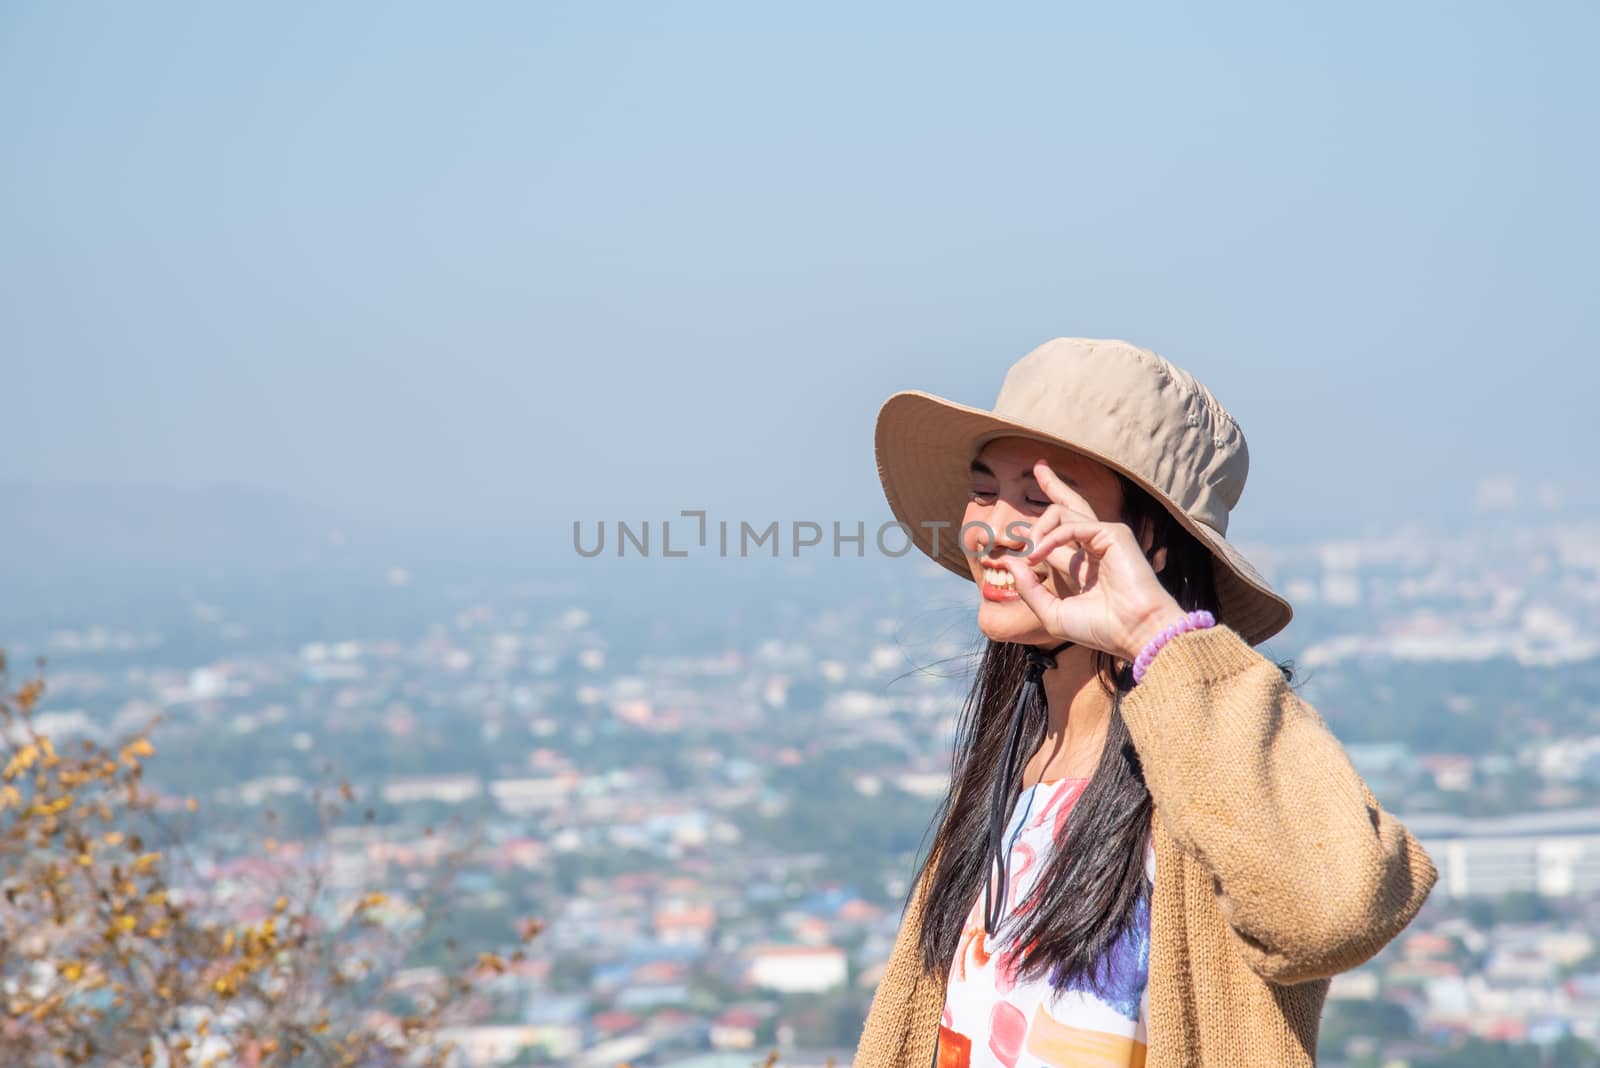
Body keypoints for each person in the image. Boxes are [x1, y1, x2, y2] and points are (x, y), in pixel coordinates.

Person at [854, 338, 1437, 1068]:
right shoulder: (1013, 763)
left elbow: (1332, 915)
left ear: (1151, 542)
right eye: (984, 490)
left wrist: (1158, 635)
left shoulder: (1216, 773)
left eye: (1040, 500)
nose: (993, 530)